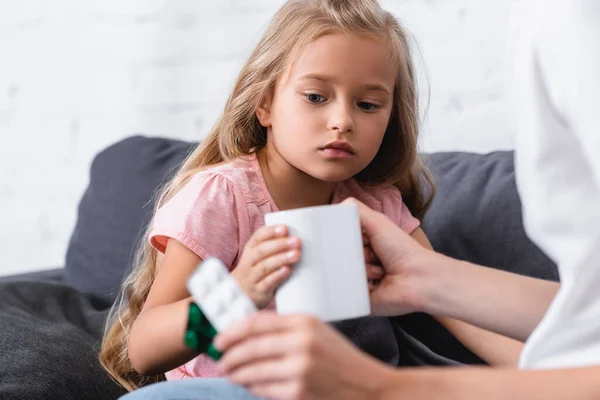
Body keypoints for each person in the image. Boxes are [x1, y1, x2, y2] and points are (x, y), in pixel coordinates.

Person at [119, 0, 600, 398]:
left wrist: (542, 381)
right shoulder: (221, 196)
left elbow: (455, 310)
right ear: (264, 103)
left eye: (368, 104)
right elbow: (143, 348)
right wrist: (239, 292)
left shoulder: (377, 208)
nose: (342, 120)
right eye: (315, 97)